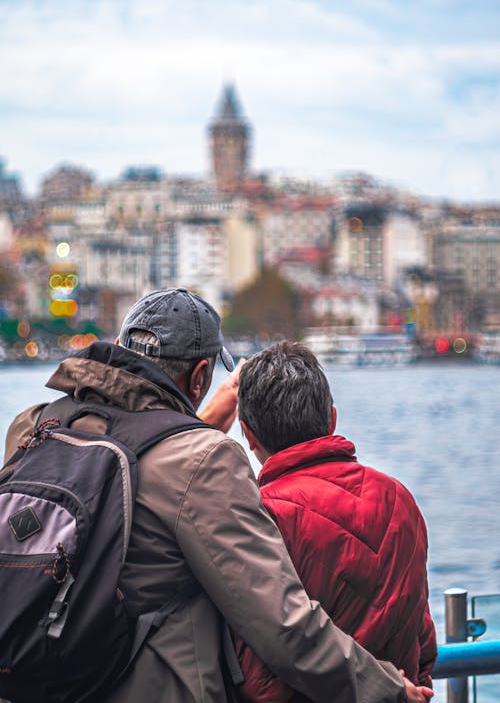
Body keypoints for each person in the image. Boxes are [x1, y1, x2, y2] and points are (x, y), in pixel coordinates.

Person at [4, 288, 432, 703]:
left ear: (120, 347)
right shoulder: (205, 460)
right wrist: (388, 690)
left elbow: (136, 458)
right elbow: (281, 625)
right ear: (201, 376)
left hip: (33, 676)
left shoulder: (35, 425)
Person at [236, 340, 437, 702]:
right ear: (331, 418)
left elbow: (254, 674)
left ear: (248, 435)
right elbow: (422, 638)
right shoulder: (398, 498)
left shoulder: (259, 515)